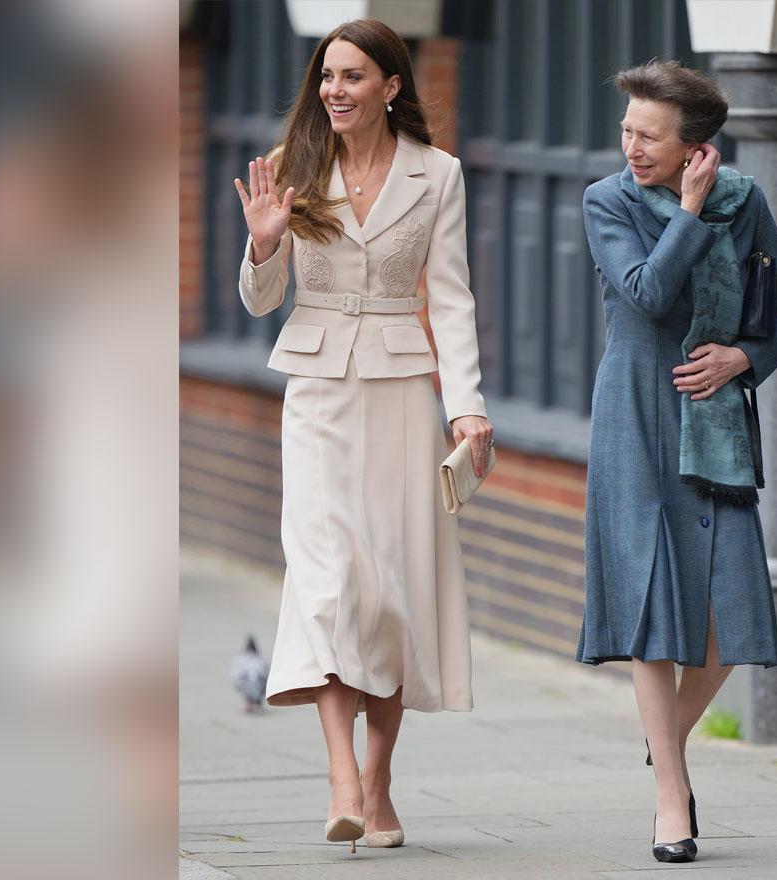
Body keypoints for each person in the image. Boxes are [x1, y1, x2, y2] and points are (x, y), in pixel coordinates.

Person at [233, 18, 493, 853]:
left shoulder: (439, 174)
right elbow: (260, 299)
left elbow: (449, 297)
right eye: (326, 76)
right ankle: (342, 777)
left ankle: (379, 779)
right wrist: (263, 243)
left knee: (391, 594)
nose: (334, 91)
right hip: (314, 394)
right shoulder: (294, 171)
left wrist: (469, 407)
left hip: (400, 395)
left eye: (352, 77)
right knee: (328, 580)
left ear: (390, 86)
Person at [576, 60, 777, 864]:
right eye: (627, 130)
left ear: (695, 146)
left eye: (649, 135)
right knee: (648, 601)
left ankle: (662, 736)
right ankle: (670, 793)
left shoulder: (746, 202)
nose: (631, 146)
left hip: (711, 415)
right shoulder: (606, 201)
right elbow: (644, 293)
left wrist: (742, 360)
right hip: (635, 412)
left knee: (726, 604)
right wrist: (688, 211)